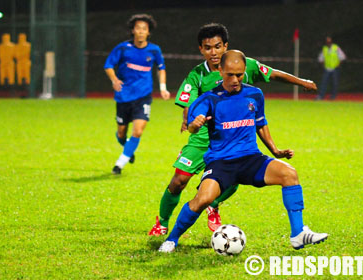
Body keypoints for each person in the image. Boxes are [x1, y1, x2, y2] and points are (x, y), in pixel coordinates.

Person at [149, 23, 318, 236]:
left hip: (234, 140)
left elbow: (273, 74)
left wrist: (301, 81)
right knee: (179, 181)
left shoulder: (242, 66)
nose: (213, 52)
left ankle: (214, 204)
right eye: (208, 48)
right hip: (203, 138)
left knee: (233, 178)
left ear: (225, 46)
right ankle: (162, 222)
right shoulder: (197, 75)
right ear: (201, 49)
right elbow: (188, 104)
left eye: (218, 46)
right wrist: (190, 121)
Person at [104, 14, 170, 175]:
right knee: (121, 133)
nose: (141, 32)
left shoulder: (154, 50)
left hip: (143, 96)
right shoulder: (122, 48)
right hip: (123, 96)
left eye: (144, 29)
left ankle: (119, 164)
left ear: (148, 32)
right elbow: (108, 65)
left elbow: (161, 68)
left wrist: (163, 87)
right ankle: (128, 148)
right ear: (133, 30)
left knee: (138, 131)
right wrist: (114, 79)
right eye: (138, 28)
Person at [316, 36, 346, 100]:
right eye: (327, 42)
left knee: (335, 83)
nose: (328, 43)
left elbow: (342, 57)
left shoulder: (336, 48)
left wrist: (338, 64)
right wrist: (323, 65)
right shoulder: (324, 49)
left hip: (335, 69)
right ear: (326, 42)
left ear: (331, 42)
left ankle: (333, 97)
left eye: (329, 41)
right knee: (323, 83)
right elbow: (320, 59)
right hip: (327, 69)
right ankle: (321, 96)